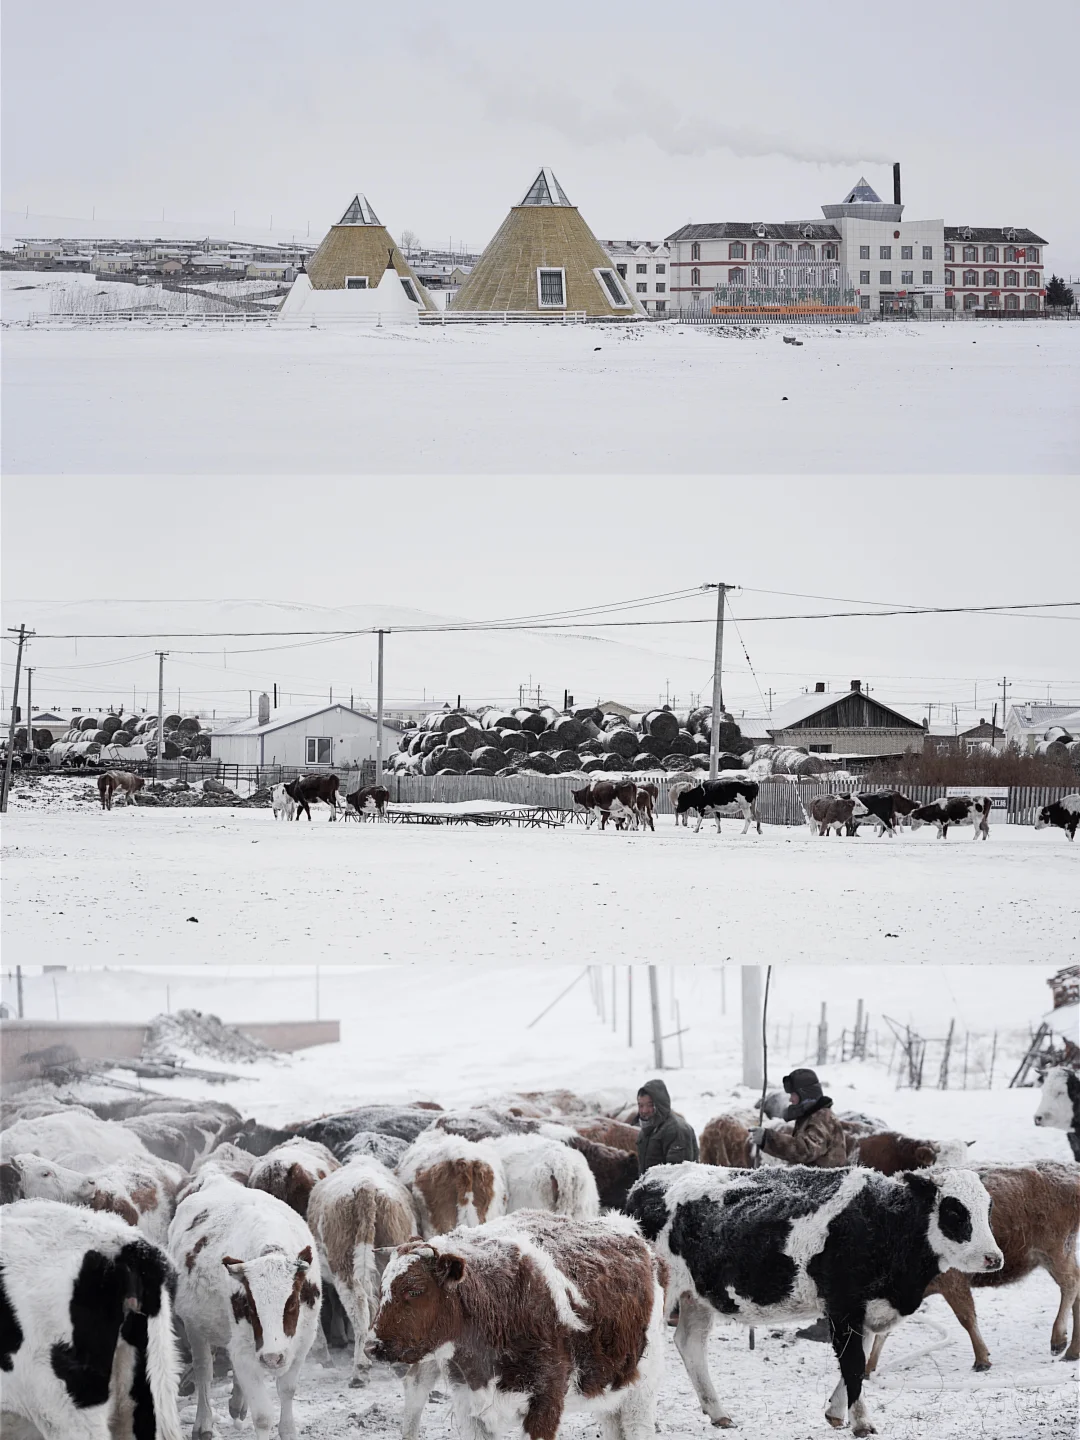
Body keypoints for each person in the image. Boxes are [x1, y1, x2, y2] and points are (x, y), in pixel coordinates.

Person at [748, 1067, 847, 1168]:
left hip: (825, 1182)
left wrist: (767, 1138)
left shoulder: (822, 1118)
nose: (790, 1099)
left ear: (805, 1094)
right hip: (815, 1180)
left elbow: (806, 1151)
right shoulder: (810, 1116)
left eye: (793, 1094)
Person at [635, 1079, 699, 1173]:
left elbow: (678, 1174)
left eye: (650, 1105)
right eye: (641, 1106)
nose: (644, 1111)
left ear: (660, 1105)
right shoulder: (647, 1130)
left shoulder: (676, 1130)